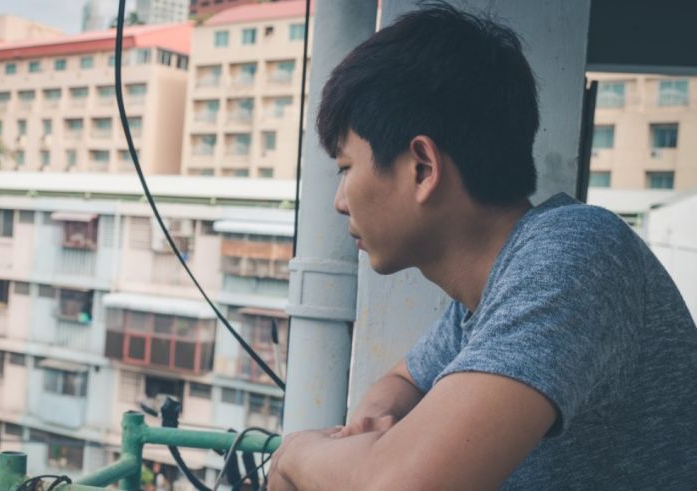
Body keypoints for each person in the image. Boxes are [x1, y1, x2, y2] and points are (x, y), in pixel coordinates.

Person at [267, 3, 697, 490]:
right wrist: (373, 425)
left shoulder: (575, 258)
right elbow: (405, 380)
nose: (340, 202)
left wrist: (295, 453)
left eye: (346, 168)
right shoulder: (488, 296)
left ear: (423, 168)